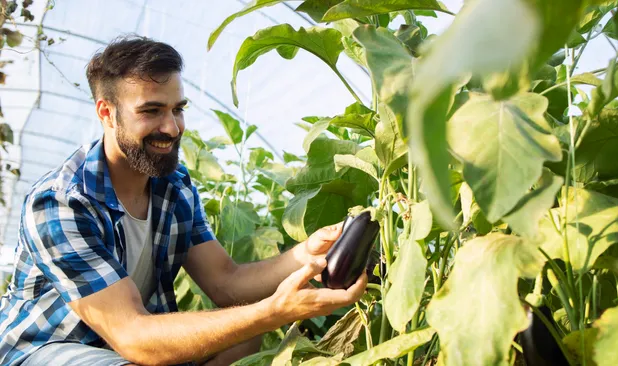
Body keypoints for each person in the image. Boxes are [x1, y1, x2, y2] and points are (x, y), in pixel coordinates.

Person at [0, 36, 367, 366]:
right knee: (252, 320)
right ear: (106, 113)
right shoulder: (62, 202)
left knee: (245, 331)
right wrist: (273, 311)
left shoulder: (173, 186)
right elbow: (132, 335)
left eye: (178, 109)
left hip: (131, 345)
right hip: (45, 348)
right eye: (151, 111)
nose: (172, 128)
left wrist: (305, 253)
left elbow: (227, 282)